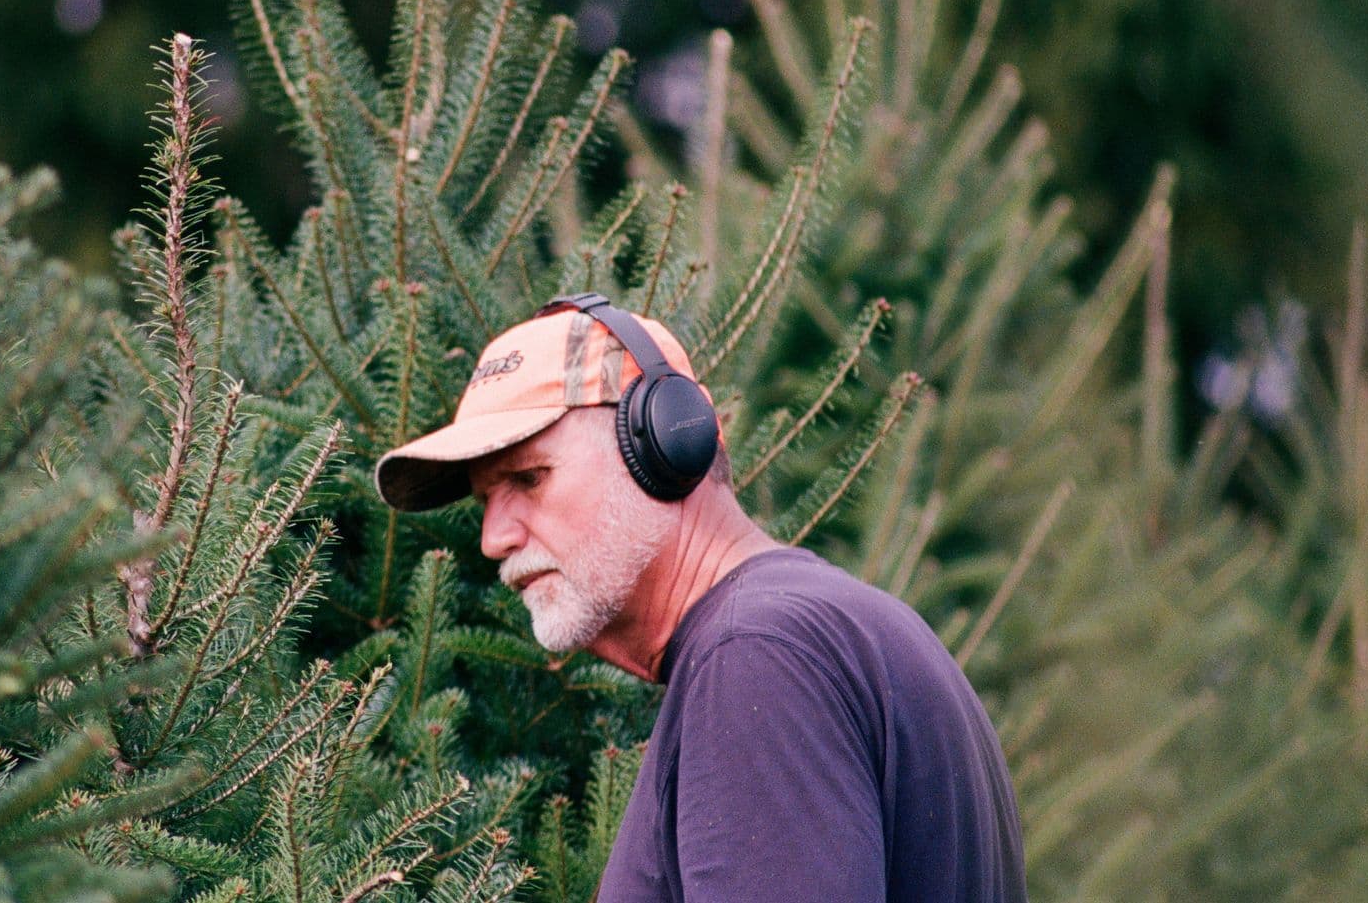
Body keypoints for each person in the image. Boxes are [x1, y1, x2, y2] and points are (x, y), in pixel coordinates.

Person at [374, 294, 1026, 901]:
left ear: (664, 440)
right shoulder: (810, 630)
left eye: (529, 477)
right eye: (487, 498)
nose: (494, 537)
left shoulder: (759, 658)